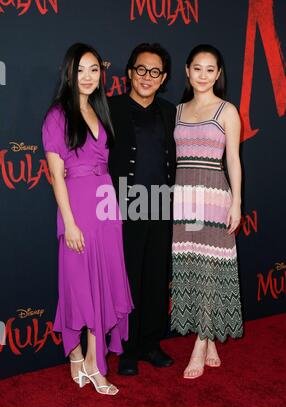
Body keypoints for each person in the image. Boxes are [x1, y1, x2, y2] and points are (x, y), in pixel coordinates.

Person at [42, 43, 133, 395]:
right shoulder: (56, 116)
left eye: (94, 69)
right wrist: (69, 222)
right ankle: (77, 355)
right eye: (80, 69)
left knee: (106, 284)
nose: (88, 76)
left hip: (105, 205)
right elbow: (56, 174)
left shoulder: (100, 108)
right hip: (77, 206)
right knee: (80, 286)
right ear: (69, 72)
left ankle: (94, 362)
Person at [171, 44, 243, 379]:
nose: (203, 75)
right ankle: (210, 336)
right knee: (191, 267)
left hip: (214, 198)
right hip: (183, 199)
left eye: (210, 69)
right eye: (197, 68)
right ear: (187, 71)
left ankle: (200, 344)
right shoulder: (177, 110)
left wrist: (237, 202)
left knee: (210, 270)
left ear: (218, 73)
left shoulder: (227, 110)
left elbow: (233, 160)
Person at [108, 43, 177, 376]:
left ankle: (151, 342)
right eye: (141, 69)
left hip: (162, 205)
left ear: (163, 77)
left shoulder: (170, 111)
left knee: (155, 277)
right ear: (129, 72)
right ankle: (127, 347)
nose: (146, 77)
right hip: (123, 207)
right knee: (128, 278)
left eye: (154, 72)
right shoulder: (109, 109)